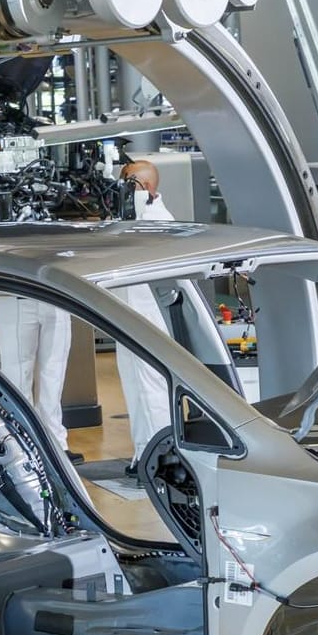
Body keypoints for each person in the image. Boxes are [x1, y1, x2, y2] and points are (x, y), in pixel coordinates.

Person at [110, 159, 175, 474]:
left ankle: (163, 455)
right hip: (127, 318)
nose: (123, 189)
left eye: (128, 183)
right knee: (134, 387)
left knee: (151, 388)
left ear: (146, 188)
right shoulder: (131, 217)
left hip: (148, 320)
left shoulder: (157, 220)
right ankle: (142, 452)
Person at [0, 294, 82, 464]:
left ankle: (56, 444)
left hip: (55, 296)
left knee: (53, 376)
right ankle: (22, 442)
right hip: (12, 296)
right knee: (16, 377)